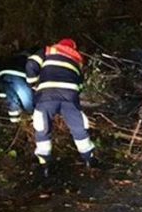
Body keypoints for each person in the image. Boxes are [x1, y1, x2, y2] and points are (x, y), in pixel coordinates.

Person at [26, 38, 95, 177]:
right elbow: (80, 84)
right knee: (79, 127)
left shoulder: (48, 50)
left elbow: (31, 64)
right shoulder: (77, 59)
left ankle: (45, 165)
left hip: (47, 95)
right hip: (69, 96)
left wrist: (33, 84)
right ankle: (89, 159)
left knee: (42, 128)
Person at [0, 51, 34, 123]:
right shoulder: (30, 60)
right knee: (27, 98)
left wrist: (1, 92)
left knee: (12, 98)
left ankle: (14, 121)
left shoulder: (11, 59)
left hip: (3, 74)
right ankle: (32, 117)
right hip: (18, 74)